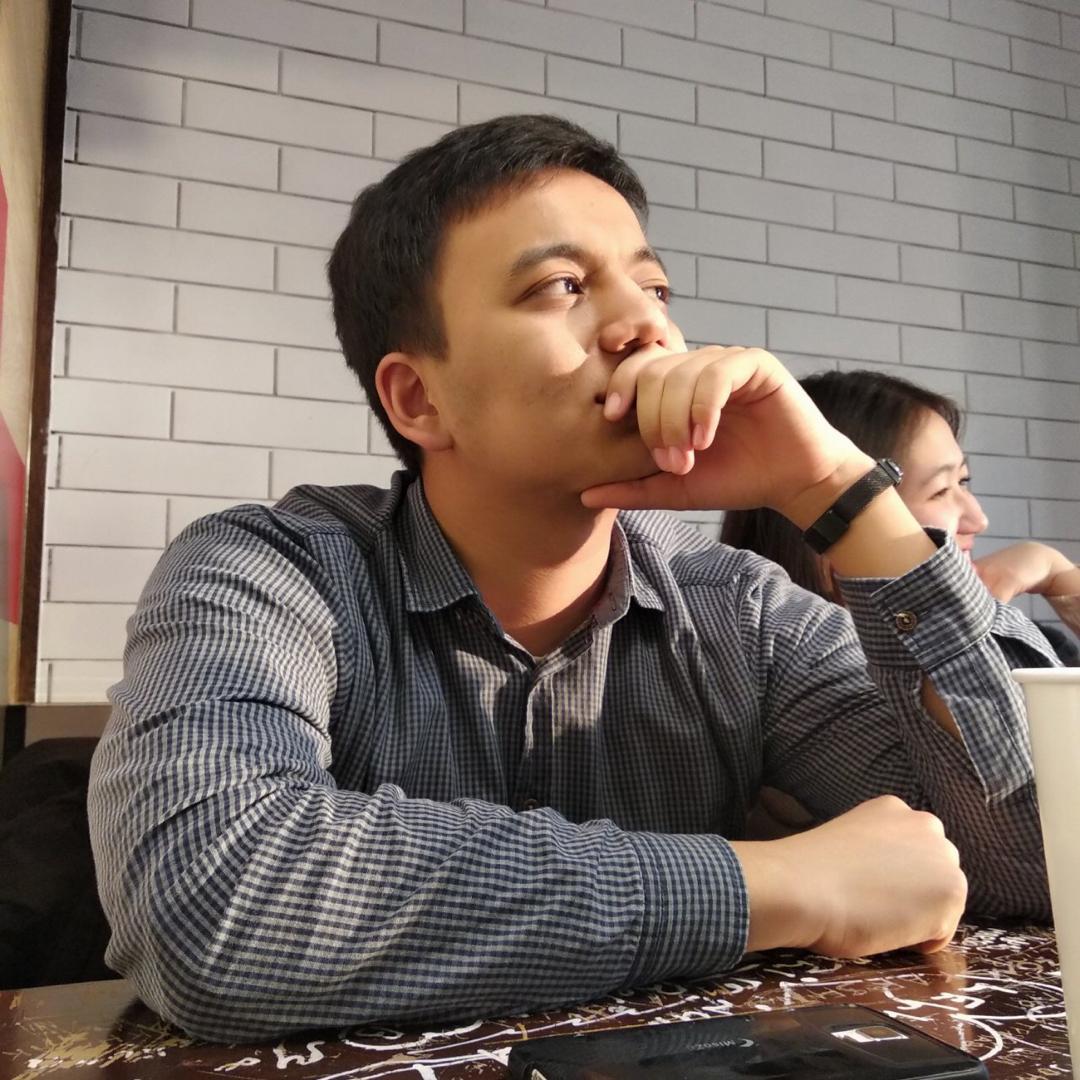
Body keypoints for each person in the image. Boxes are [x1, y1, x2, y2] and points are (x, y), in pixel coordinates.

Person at [88, 115, 1059, 1044]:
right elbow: (212, 909)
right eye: (561, 286)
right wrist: (774, 885)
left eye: (655, 288)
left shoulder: (737, 610)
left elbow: (1033, 857)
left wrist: (843, 495)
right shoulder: (271, 571)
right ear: (419, 398)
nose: (646, 326)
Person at [720, 370, 1079, 663]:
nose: (978, 520)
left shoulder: (1018, 644)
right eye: (940, 490)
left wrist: (1058, 575)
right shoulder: (822, 685)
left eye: (963, 481)